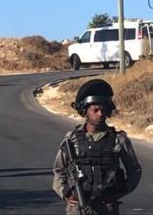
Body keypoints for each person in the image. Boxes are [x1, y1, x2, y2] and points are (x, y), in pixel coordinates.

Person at [52, 79, 142, 215]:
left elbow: (134, 171)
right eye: (95, 110)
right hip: (77, 209)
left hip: (107, 208)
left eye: (103, 110)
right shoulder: (71, 139)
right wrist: (65, 194)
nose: (100, 114)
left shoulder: (118, 140)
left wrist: (119, 193)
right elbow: (59, 171)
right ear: (85, 110)